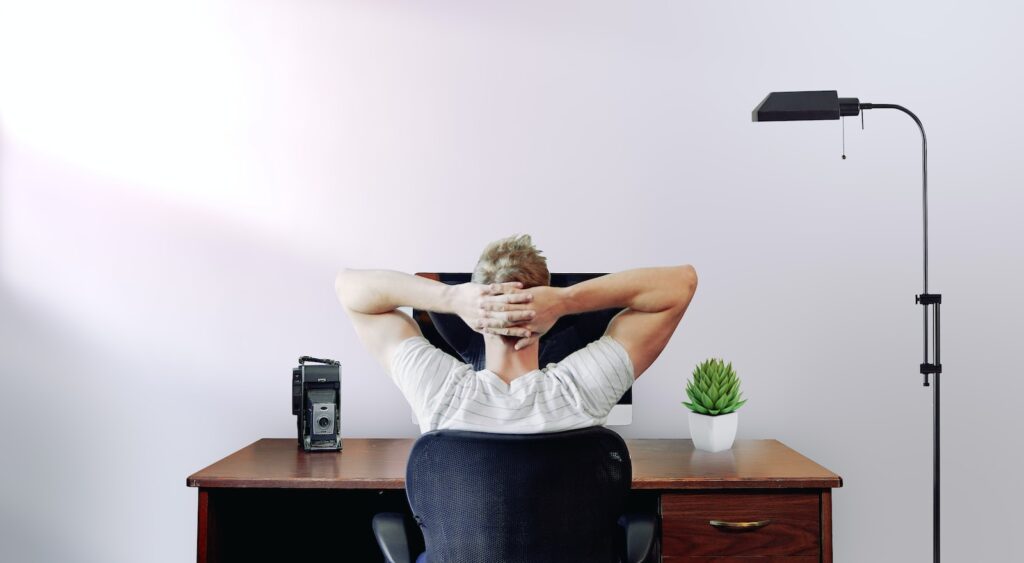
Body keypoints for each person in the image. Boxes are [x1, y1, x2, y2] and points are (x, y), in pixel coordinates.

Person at [335, 234, 698, 433]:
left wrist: (451, 297)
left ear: (477, 312)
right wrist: (566, 300)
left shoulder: (438, 393)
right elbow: (681, 284)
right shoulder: (582, 392)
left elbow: (349, 288)